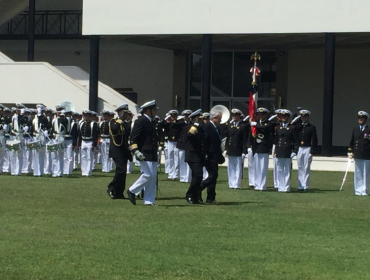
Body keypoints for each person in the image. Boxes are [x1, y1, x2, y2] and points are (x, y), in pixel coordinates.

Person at [126, 100, 160, 206]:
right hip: (145, 152)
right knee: (148, 175)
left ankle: (149, 201)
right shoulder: (141, 121)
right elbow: (133, 138)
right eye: (154, 109)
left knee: (152, 177)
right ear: (148, 110)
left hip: (152, 152)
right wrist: (135, 151)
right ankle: (132, 190)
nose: (155, 111)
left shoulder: (151, 121)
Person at [106, 104, 132, 199]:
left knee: (122, 171)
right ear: (120, 113)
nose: (126, 114)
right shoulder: (114, 121)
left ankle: (119, 192)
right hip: (116, 150)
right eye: (124, 113)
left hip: (123, 150)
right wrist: (120, 121)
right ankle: (111, 187)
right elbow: (114, 129)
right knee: (121, 170)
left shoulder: (125, 123)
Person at [199, 109, 225, 203]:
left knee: (213, 176)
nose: (220, 121)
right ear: (214, 118)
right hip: (209, 155)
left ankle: (211, 197)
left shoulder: (215, 127)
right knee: (213, 175)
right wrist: (205, 153)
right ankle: (198, 188)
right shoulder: (207, 127)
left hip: (215, 155)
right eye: (219, 118)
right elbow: (205, 142)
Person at [249, 107, 274, 191]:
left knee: (263, 168)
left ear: (266, 115)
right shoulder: (255, 124)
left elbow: (265, 128)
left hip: (264, 147)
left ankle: (262, 185)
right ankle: (257, 185)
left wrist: (255, 124)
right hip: (256, 147)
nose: (261, 116)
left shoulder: (268, 123)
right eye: (259, 114)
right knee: (256, 168)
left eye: (262, 114)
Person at [273, 109, 298, 192]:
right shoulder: (278, 127)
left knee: (286, 170)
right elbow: (276, 140)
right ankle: (280, 187)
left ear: (288, 117)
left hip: (287, 151)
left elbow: (295, 141)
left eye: (285, 116)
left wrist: (294, 151)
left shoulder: (292, 128)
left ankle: (286, 187)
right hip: (279, 150)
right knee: (279, 170)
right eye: (282, 116)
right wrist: (275, 150)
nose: (283, 118)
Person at [348, 111, 370, 196]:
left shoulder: (368, 129)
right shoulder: (355, 129)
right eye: (359, 118)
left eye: (362, 118)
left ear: (365, 119)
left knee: (365, 174)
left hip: (366, 154)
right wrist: (350, 151)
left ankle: (364, 191)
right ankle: (357, 190)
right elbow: (352, 141)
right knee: (357, 173)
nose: (360, 120)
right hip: (357, 154)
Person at [184, 109, 204, 204]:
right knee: (198, 175)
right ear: (195, 119)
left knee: (197, 176)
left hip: (198, 155)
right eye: (199, 119)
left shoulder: (200, 128)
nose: (202, 120)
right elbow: (189, 135)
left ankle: (195, 196)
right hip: (192, 155)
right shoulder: (190, 127)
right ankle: (189, 194)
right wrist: (194, 126)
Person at [295, 110, 318, 191]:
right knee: (300, 167)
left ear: (308, 117)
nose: (304, 118)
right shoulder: (298, 126)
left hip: (307, 148)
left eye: (305, 116)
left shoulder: (311, 127)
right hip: (300, 148)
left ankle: (305, 185)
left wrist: (312, 150)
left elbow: (314, 139)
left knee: (306, 167)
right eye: (302, 116)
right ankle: (300, 185)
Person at [225, 108, 247, 189]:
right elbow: (228, 137)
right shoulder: (229, 126)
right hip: (231, 149)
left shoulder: (242, 126)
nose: (234, 117)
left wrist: (244, 151)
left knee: (238, 168)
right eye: (233, 115)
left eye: (236, 115)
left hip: (238, 149)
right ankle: (231, 183)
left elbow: (244, 139)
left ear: (239, 116)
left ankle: (237, 184)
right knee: (230, 167)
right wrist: (225, 148)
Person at [78, 110, 98, 177]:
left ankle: (88, 172)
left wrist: (94, 144)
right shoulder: (81, 123)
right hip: (83, 141)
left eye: (86, 116)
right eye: (84, 116)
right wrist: (79, 143)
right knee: (83, 157)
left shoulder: (93, 124)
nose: (84, 117)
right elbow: (80, 135)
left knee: (89, 157)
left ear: (89, 116)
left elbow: (95, 135)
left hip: (90, 141)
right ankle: (83, 172)